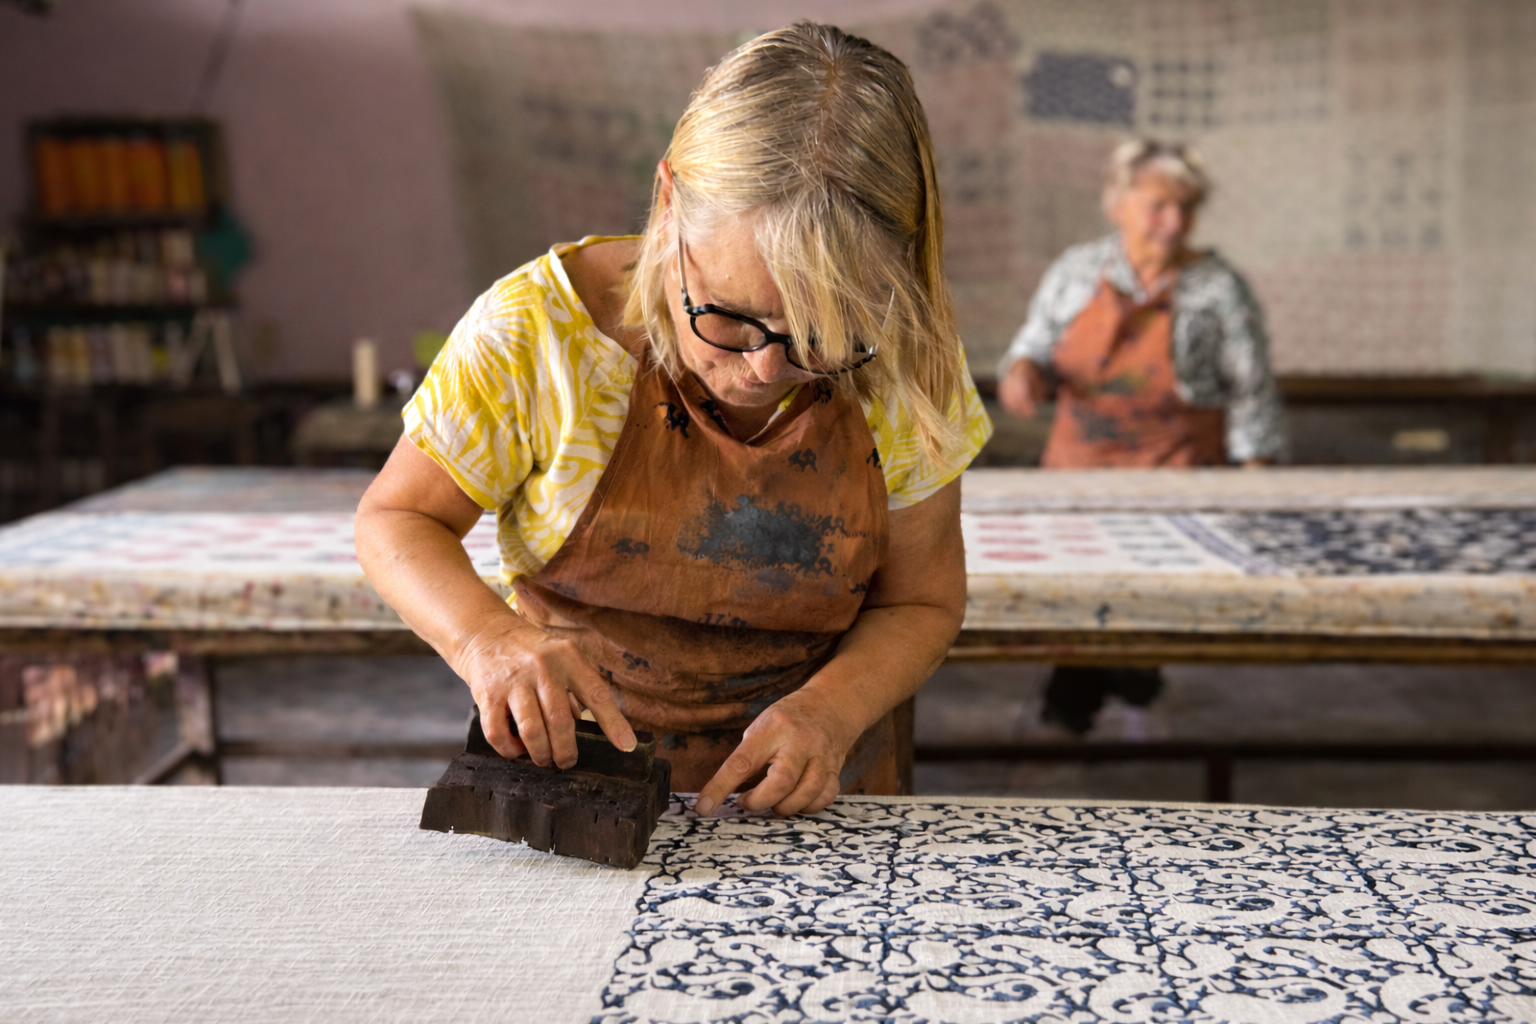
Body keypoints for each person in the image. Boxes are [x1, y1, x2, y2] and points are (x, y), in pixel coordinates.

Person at [355, 23, 992, 818]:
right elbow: (397, 519)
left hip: (816, 795)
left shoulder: (904, 352)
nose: (764, 371)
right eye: (728, 318)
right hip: (582, 781)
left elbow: (921, 602)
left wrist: (830, 712)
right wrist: (486, 639)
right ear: (668, 206)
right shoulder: (541, 335)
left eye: (823, 339)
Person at [996, 139, 1285, 734]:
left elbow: (1252, 388)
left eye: (1186, 208)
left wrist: (1256, 480)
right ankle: (1115, 692)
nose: (1173, 222)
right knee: (1078, 590)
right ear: (1118, 204)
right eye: (1159, 206)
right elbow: (1031, 350)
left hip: (1174, 470)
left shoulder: (1219, 287)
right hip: (1080, 470)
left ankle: (1093, 700)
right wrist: (1023, 374)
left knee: (1148, 593)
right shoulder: (1077, 272)